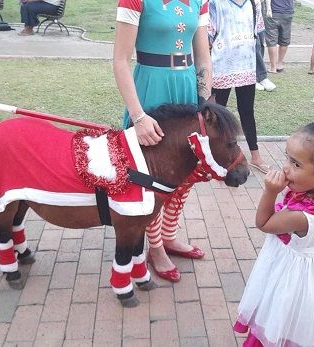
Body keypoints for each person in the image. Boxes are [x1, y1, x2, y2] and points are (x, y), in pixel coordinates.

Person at [233, 121, 314, 346]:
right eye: (287, 158)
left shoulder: (302, 216)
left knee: (286, 319)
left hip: (295, 277)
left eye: (295, 164)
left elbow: (263, 222)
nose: (286, 168)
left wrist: (270, 191)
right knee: (310, 326)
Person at [113, 0, 213, 282]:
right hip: (151, 88)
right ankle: (155, 245)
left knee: (184, 170)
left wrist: (203, 103)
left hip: (186, 90)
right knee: (154, 174)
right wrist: (139, 116)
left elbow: (203, 58)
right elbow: (120, 60)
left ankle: (169, 235)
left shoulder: (199, 1)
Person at [209, 0, 269, 173]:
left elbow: (257, 35)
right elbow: (208, 38)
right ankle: (216, 156)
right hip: (221, 66)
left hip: (246, 66)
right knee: (217, 113)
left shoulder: (253, 3)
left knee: (247, 111)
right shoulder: (215, 3)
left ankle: (255, 156)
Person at [264, 0, 295, 74]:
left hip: (273, 11)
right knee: (285, 38)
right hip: (288, 11)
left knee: (271, 40)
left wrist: (268, 8)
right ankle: (280, 64)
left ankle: (273, 67)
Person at [255, 0, 277, 91]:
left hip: (258, 16)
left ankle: (258, 77)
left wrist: (268, 8)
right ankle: (260, 77)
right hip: (248, 17)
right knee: (255, 48)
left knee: (260, 47)